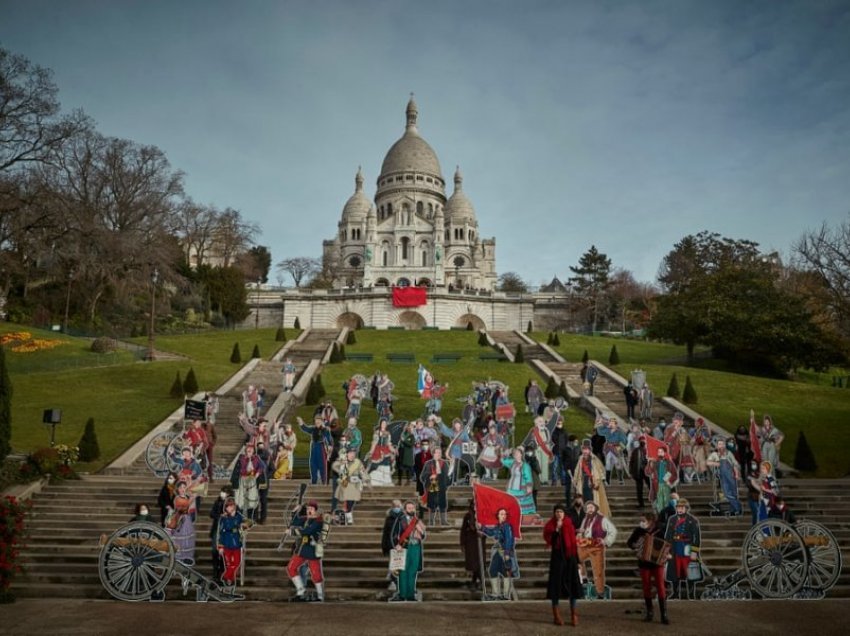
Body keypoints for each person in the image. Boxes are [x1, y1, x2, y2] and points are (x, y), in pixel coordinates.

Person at [626, 511, 669, 624]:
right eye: (641, 520)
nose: (641, 523)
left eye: (643, 521)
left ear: (650, 521)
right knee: (646, 586)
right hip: (644, 563)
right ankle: (649, 612)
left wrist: (667, 553)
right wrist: (635, 546)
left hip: (657, 563)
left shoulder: (660, 531)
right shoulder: (638, 531)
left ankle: (664, 614)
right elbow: (629, 542)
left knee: (660, 586)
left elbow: (667, 544)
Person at [544, 503, 582, 626]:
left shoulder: (569, 525)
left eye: (561, 512)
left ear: (564, 513)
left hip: (569, 558)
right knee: (556, 587)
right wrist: (556, 530)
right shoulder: (550, 525)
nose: (559, 514)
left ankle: (574, 615)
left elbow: (573, 543)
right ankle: (556, 615)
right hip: (557, 559)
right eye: (557, 512)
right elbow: (551, 541)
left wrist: (578, 561)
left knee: (572, 587)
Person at [286, 500, 327, 602]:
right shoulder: (306, 519)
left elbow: (307, 531)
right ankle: (301, 591)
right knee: (291, 568)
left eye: (311, 509)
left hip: (313, 549)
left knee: (316, 574)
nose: (309, 511)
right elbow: (294, 522)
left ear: (316, 510)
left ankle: (320, 596)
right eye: (308, 509)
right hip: (302, 549)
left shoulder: (318, 521)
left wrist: (292, 532)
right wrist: (295, 512)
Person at [576, 500, 617, 599]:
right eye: (588, 508)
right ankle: (584, 577)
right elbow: (583, 531)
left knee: (598, 570)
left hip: (597, 547)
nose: (589, 510)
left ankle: (600, 592)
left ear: (595, 509)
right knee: (575, 557)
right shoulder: (585, 519)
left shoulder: (603, 519)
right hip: (586, 545)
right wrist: (580, 534)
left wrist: (605, 541)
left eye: (591, 507)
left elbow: (613, 531)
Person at [664, 497, 701, 599]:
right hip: (675, 548)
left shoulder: (692, 520)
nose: (679, 509)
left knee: (690, 572)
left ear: (686, 508)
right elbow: (668, 536)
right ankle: (675, 593)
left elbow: (696, 537)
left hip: (687, 548)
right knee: (675, 572)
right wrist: (667, 551)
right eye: (678, 507)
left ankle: (691, 594)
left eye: (682, 507)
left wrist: (694, 551)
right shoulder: (672, 519)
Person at [390, 500, 426, 602]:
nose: (411, 510)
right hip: (404, 547)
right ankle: (402, 595)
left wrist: (420, 531)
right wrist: (396, 545)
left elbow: (423, 536)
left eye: (413, 508)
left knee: (413, 571)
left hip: (415, 548)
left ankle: (410, 595)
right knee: (403, 572)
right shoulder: (400, 519)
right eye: (409, 508)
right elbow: (393, 534)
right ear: (405, 510)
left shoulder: (418, 520)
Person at [479, 508, 519, 600]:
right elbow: (491, 532)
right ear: (498, 515)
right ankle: (496, 594)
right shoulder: (498, 526)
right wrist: (482, 527)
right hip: (498, 551)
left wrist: (507, 552)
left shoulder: (507, 526)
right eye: (501, 514)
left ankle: (505, 595)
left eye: (505, 514)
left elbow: (509, 540)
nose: (503, 516)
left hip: (504, 551)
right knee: (493, 570)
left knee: (505, 572)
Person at [216, 497, 250, 591]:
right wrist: (220, 546)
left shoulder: (239, 516)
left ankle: (226, 577)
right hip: (226, 543)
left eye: (231, 506)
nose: (229, 508)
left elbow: (248, 524)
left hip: (236, 542)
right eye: (228, 506)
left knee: (237, 562)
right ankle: (229, 582)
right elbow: (220, 533)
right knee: (228, 564)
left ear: (234, 506)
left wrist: (244, 526)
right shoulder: (223, 518)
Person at [572, 440, 610, 518]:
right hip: (583, 483)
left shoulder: (594, 459)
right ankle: (585, 517)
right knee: (584, 501)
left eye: (586, 449)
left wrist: (598, 480)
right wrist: (575, 480)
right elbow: (577, 471)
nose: (585, 451)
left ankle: (593, 516)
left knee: (593, 501)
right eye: (583, 449)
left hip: (592, 484)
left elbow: (601, 470)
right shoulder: (580, 459)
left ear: (589, 450)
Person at [332, 447, 368, 524]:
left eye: (354, 453)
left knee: (353, 499)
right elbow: (334, 466)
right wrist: (341, 465)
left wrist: (365, 478)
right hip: (345, 483)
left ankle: (348, 512)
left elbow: (362, 471)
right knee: (348, 496)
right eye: (351, 453)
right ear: (347, 454)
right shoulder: (343, 461)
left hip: (355, 484)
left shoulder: (357, 462)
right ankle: (348, 514)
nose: (352, 455)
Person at [706, 437, 743, 515]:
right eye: (719, 444)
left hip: (731, 475)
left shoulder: (729, 453)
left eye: (722, 444)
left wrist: (736, 473)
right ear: (717, 446)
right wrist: (716, 463)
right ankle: (738, 507)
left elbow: (735, 464)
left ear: (725, 445)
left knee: (734, 492)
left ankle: (734, 509)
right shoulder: (714, 454)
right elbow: (708, 462)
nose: (721, 446)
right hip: (722, 476)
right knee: (726, 493)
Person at [165, 480, 197, 565]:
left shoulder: (186, 497)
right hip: (179, 518)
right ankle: (179, 557)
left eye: (184, 487)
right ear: (178, 489)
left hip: (186, 519)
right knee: (179, 537)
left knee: (187, 537)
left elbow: (188, 508)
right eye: (181, 487)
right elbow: (181, 508)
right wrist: (191, 499)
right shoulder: (177, 498)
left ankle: (186, 556)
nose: (183, 489)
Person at [231, 444, 264, 521]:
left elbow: (262, 466)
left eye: (251, 449)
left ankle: (252, 518)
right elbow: (237, 470)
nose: (249, 450)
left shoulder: (256, 458)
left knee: (252, 499)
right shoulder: (241, 458)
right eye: (248, 449)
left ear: (253, 451)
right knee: (241, 500)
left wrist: (257, 473)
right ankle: (240, 517)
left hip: (252, 480)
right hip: (242, 479)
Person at [502, 447, 536, 516]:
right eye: (515, 453)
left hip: (522, 487)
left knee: (523, 506)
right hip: (511, 487)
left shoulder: (525, 465)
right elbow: (502, 460)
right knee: (510, 501)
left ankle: (523, 518)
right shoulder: (511, 463)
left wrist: (529, 486)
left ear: (521, 454)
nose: (516, 454)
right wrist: (507, 453)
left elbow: (528, 477)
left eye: (518, 453)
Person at [420, 446, 450, 525]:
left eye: (440, 453)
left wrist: (446, 484)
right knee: (432, 505)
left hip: (442, 487)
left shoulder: (444, 463)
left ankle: (443, 521)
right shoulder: (428, 463)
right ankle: (431, 522)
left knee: (442, 505)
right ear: (433, 454)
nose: (439, 454)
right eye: (437, 452)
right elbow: (422, 477)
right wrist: (430, 475)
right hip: (431, 487)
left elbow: (447, 476)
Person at [460, 499, 486, 589]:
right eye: (473, 504)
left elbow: (487, 529)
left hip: (479, 542)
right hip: (470, 543)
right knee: (473, 563)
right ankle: (478, 582)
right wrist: (462, 543)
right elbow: (463, 530)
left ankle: (476, 582)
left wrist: (483, 532)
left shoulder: (483, 515)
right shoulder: (467, 516)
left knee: (479, 563)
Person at [299, 416, 333, 485]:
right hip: (314, 447)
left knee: (322, 465)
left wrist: (330, 446)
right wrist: (301, 423)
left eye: (318, 421)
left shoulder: (325, 430)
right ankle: (314, 481)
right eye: (316, 421)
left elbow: (329, 439)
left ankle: (324, 482)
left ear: (321, 422)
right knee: (312, 465)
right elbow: (305, 428)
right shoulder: (313, 429)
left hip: (321, 448)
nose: (317, 423)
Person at [646, 445, 678, 514]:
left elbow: (675, 474)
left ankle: (667, 517)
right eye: (658, 452)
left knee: (667, 504)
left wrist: (668, 479)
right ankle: (661, 517)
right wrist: (649, 462)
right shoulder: (654, 462)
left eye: (661, 451)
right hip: (657, 486)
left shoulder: (669, 463)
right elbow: (647, 472)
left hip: (667, 485)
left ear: (665, 453)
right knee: (659, 505)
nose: (659, 453)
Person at [381, 499, 404, 592]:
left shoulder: (404, 517)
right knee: (394, 563)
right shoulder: (389, 517)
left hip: (401, 543)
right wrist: (384, 545)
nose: (397, 508)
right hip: (392, 543)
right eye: (395, 506)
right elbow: (386, 533)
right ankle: (393, 582)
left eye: (398, 506)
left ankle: (396, 581)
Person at [368, 419, 396, 486]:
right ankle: (376, 481)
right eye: (382, 423)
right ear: (380, 424)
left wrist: (393, 450)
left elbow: (389, 444)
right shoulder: (377, 432)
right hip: (378, 450)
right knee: (377, 465)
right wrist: (371, 452)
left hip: (386, 450)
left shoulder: (388, 433)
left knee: (386, 464)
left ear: (386, 425)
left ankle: (386, 480)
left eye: (385, 423)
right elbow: (374, 443)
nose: (383, 424)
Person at [530, 416, 554, 484]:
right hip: (537, 448)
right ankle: (539, 480)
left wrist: (549, 449)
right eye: (540, 421)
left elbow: (549, 440)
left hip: (545, 448)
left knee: (545, 464)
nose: (542, 423)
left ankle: (545, 480)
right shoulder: (534, 431)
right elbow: (531, 440)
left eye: (543, 421)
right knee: (538, 465)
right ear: (536, 423)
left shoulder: (546, 431)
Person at [629, 437, 650, 508]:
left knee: (651, 488)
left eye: (643, 440)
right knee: (639, 489)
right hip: (638, 472)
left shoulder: (649, 450)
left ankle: (655, 502)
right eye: (641, 440)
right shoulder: (635, 450)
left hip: (648, 472)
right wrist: (631, 472)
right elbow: (631, 462)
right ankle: (641, 504)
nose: (642, 441)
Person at [397, 421, 416, 485]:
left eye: (408, 426)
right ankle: (399, 481)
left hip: (407, 453)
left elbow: (411, 444)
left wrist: (404, 440)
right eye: (406, 426)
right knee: (400, 466)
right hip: (401, 451)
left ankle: (408, 481)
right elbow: (398, 442)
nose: (407, 428)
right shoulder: (402, 434)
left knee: (408, 467)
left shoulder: (411, 436)